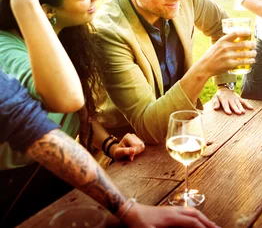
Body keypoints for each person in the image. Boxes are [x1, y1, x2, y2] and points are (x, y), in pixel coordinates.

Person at [0, 0, 145, 224]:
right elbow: (67, 99)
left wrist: (108, 144)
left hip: (65, 175)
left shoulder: (62, 32)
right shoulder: (7, 50)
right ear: (46, 9)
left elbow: (75, 113)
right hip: (18, 193)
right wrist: (24, 1)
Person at [0, 70, 218, 228]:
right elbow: (45, 120)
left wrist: (109, 145)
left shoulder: (66, 39)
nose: (95, 3)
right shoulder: (13, 52)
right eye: (84, 1)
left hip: (62, 181)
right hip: (16, 189)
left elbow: (78, 114)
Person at [95, 0, 256, 144]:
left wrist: (225, 86)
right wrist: (205, 67)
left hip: (187, 128)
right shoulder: (109, 32)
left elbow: (222, 25)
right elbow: (149, 128)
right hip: (131, 147)